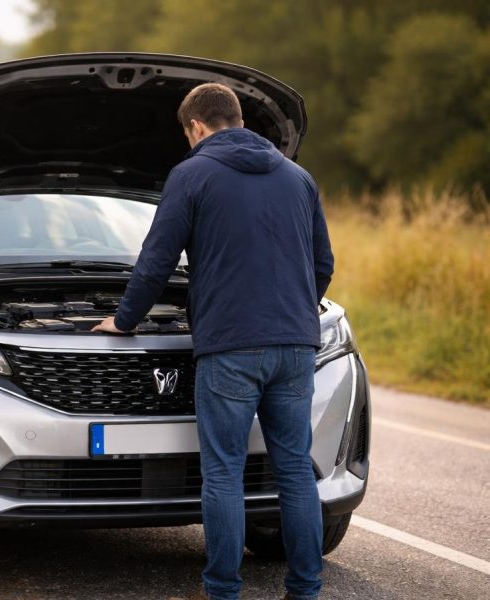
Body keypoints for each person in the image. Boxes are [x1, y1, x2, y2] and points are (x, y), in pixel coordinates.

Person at [93, 83, 334, 600]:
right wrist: (295, 310)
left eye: (188, 135)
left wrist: (125, 320)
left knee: (223, 471)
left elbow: (157, 259)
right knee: (294, 468)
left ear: (197, 127)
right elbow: (322, 266)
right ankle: (306, 589)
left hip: (230, 346)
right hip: (295, 346)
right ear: (238, 119)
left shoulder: (192, 174)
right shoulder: (299, 178)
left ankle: (222, 590)